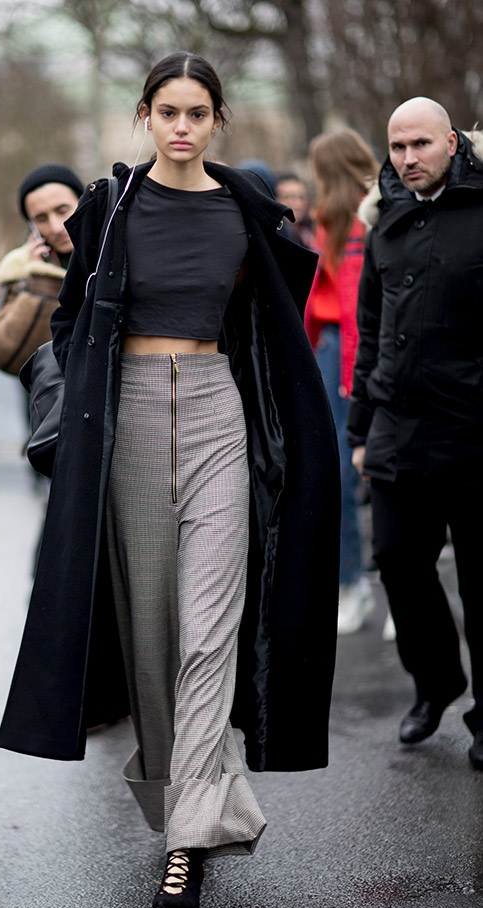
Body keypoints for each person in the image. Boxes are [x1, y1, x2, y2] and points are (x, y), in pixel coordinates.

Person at [0, 52, 340, 908]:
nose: (181, 126)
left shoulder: (247, 212)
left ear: (217, 120)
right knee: (152, 637)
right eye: (167, 111)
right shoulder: (109, 210)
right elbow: (74, 315)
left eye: (197, 112)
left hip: (221, 414)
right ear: (143, 116)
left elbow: (272, 326)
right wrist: (79, 401)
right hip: (134, 428)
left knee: (207, 635)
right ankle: (184, 804)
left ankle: (185, 841)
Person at [349, 97, 483, 770]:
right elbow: (369, 335)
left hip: (473, 431)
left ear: (451, 142)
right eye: (397, 147)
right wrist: (359, 432)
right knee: (398, 561)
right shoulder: (386, 222)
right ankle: (435, 684)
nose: (407, 159)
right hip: (399, 431)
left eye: (420, 145)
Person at [304, 129, 380, 634]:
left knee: (343, 475)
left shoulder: (343, 221)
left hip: (343, 350)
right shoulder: (377, 211)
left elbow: (343, 305)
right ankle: (360, 585)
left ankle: (355, 584)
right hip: (355, 347)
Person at [0, 164, 83, 375]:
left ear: (83, 203)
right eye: (41, 219)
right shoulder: (17, 271)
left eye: (62, 211)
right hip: (53, 401)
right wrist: (43, 283)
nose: (56, 227)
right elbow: (0, 353)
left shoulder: (115, 252)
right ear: (31, 226)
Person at [275, 172, 313, 247]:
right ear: (275, 199)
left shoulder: (313, 230)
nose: (297, 204)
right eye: (288, 197)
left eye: (301, 197)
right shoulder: (275, 235)